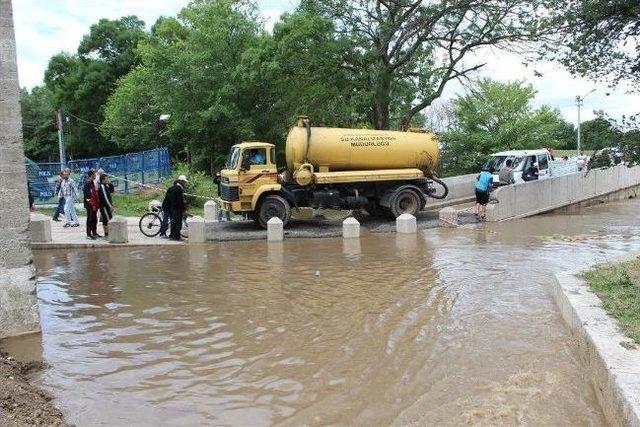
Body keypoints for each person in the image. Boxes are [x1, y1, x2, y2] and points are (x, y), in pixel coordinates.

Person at [161, 175, 188, 240]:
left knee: (173, 222)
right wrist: (183, 209)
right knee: (177, 223)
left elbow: (173, 199)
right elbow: (179, 201)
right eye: (184, 182)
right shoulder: (178, 189)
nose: (185, 183)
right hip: (175, 208)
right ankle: (176, 236)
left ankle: (172, 235)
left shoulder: (172, 188)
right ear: (181, 181)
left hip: (172, 208)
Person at [84, 169, 101, 239]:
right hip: (90, 205)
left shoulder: (92, 182)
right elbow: (88, 196)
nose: (95, 175)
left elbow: (93, 193)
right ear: (91, 175)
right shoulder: (88, 183)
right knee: (90, 219)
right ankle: (88, 234)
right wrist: (93, 204)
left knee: (94, 219)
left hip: (94, 205)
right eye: (94, 174)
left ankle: (94, 232)